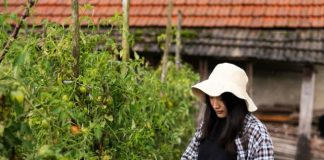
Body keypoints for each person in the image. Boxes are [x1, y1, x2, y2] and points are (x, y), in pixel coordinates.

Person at [181, 63, 274, 160]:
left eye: (221, 99)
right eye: (212, 97)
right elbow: (188, 157)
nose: (215, 105)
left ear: (235, 98)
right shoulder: (207, 124)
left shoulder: (255, 131)